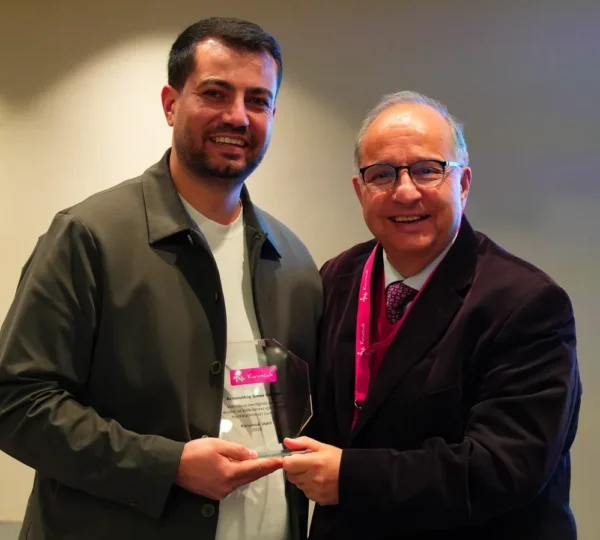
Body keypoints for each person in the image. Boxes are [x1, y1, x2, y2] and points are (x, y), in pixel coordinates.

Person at [0, 16, 321, 540]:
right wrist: (166, 466)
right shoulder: (87, 238)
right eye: (215, 93)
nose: (237, 116)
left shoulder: (295, 263)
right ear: (171, 104)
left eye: (258, 100)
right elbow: (16, 403)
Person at [282, 91, 581, 539]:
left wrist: (351, 477)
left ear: (463, 183)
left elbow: (504, 466)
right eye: (382, 174)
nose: (405, 191)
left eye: (427, 170)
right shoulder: (335, 278)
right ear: (360, 191)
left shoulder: (527, 302)